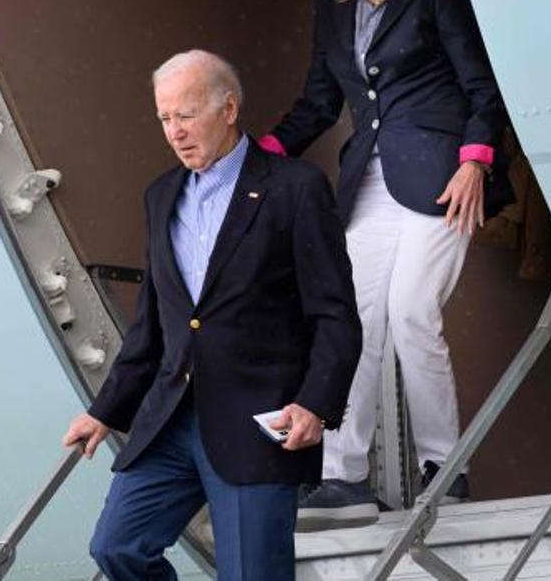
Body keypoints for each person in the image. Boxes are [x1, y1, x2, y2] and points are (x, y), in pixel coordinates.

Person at [258, 0, 513, 530]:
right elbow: (320, 101)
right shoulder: (334, 5)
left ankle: (444, 468)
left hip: (442, 177)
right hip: (367, 182)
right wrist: (256, 155)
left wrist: (475, 161)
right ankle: (344, 479)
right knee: (353, 324)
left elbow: (482, 84)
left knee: (411, 314)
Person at [65, 50, 360, 581]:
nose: (174, 131)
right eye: (164, 118)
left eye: (186, 114)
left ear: (229, 109)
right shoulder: (161, 196)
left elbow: (334, 313)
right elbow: (154, 326)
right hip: (172, 419)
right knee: (118, 547)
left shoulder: (294, 187)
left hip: (257, 423)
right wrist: (106, 409)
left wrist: (315, 404)